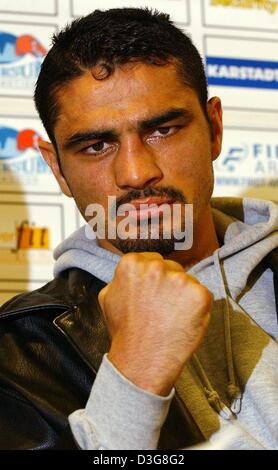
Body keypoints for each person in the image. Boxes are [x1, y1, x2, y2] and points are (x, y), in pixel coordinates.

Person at [0, 8, 277, 451]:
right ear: (57, 169)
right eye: (96, 145)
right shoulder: (20, 352)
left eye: (162, 130)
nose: (135, 172)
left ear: (214, 129)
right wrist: (134, 376)